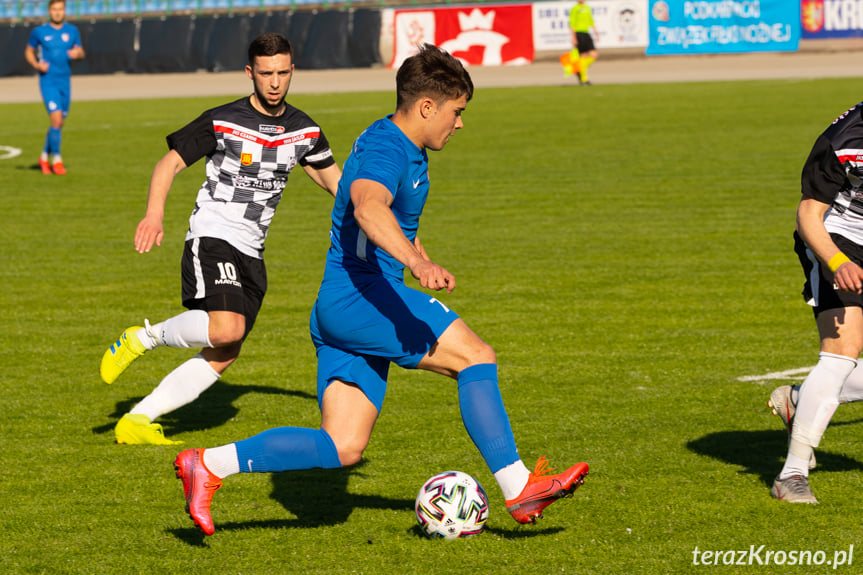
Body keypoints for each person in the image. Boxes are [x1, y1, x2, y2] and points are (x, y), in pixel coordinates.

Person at [172, 43, 589, 536]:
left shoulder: (397, 144)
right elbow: (369, 207)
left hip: (342, 305)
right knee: (475, 357)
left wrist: (419, 256)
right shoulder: (388, 148)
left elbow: (390, 217)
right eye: (456, 112)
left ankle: (209, 464)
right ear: (427, 106)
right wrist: (416, 262)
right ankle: (518, 487)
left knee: (342, 445)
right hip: (361, 298)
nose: (459, 124)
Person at [99, 33, 341, 446]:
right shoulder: (221, 120)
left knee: (225, 350)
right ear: (250, 73)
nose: (275, 82)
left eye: (283, 72)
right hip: (213, 234)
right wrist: (154, 215)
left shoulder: (305, 131)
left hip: (253, 251)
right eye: (266, 73)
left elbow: (337, 183)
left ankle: (137, 420)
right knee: (227, 329)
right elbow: (169, 163)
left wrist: (383, 223)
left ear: (293, 71)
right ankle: (144, 336)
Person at [769, 101, 863, 504]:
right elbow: (808, 214)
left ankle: (800, 398)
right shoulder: (845, 140)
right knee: (844, 350)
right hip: (834, 238)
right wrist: (837, 261)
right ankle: (790, 475)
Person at [24, 0, 85, 175]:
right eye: (54, 9)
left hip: (65, 82)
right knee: (56, 119)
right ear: (49, 11)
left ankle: (43, 157)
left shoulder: (72, 31)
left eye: (60, 9)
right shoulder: (39, 32)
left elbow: (81, 52)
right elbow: (29, 51)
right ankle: (57, 160)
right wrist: (36, 64)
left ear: (64, 11)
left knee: (59, 123)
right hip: (48, 81)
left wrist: (77, 54)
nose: (57, 12)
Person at [568, 0, 599, 85]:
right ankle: (584, 79)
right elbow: (572, 24)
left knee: (594, 55)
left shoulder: (587, 7)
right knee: (583, 56)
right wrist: (573, 38)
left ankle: (580, 70)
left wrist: (596, 33)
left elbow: (591, 21)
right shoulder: (575, 9)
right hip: (579, 33)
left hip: (586, 33)